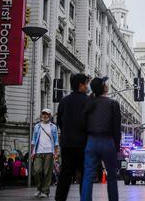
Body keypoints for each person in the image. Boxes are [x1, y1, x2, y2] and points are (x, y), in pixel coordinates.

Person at [81, 77, 121, 201]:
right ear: (104, 87)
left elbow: (83, 125)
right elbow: (116, 128)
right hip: (108, 141)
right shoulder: (113, 104)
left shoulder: (88, 103)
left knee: (88, 176)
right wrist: (116, 146)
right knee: (112, 177)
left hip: (91, 141)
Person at [55, 73, 90, 201]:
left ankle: (59, 198)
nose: (87, 86)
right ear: (81, 85)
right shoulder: (88, 101)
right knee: (85, 175)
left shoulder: (64, 101)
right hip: (83, 144)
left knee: (65, 174)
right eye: (86, 83)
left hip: (67, 143)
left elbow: (60, 122)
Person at [31, 108, 59, 198]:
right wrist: (32, 152)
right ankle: (39, 188)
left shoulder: (53, 127)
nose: (45, 116)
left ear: (50, 116)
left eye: (47, 114)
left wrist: (56, 153)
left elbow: (56, 141)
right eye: (43, 114)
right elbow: (33, 140)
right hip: (38, 151)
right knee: (36, 171)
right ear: (41, 115)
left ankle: (45, 191)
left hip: (49, 152)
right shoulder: (37, 126)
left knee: (47, 172)